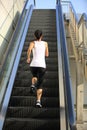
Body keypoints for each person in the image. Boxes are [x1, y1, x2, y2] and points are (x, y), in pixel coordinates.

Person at [27, 29, 49, 108]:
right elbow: (47, 55)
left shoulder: (32, 43)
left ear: (34, 36)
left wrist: (28, 58)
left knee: (34, 76)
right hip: (42, 65)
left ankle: (33, 85)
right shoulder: (45, 43)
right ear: (41, 36)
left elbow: (29, 49)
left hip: (33, 64)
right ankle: (38, 102)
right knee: (40, 85)